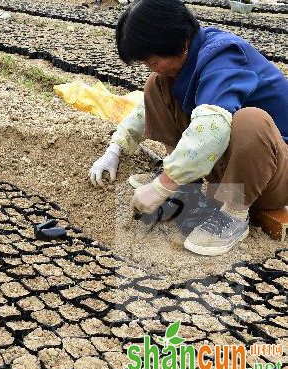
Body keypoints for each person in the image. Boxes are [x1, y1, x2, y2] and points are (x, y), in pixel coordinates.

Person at [89, 0, 288, 256]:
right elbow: (145, 109)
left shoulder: (225, 57)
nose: (149, 67)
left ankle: (234, 214)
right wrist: (116, 148)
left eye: (152, 61)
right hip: (229, 172)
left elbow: (212, 127)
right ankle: (187, 186)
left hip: (272, 176)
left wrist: (163, 184)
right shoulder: (189, 57)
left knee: (251, 121)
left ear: (181, 43)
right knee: (156, 84)